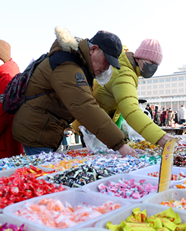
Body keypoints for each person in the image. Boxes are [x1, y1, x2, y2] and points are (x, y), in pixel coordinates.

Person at [12, 28, 138, 157]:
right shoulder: (67, 64)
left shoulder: (77, 63)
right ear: (94, 49)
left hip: (43, 130)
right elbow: (84, 106)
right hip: (36, 132)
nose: (107, 67)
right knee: (41, 174)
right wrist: (119, 144)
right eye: (106, 60)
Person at [85, 38, 174, 146]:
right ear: (138, 59)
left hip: (97, 123)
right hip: (92, 127)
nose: (152, 67)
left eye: (156, 64)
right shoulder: (124, 74)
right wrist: (160, 137)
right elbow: (131, 111)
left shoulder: (126, 67)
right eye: (150, 62)